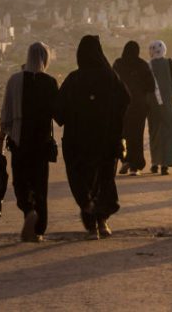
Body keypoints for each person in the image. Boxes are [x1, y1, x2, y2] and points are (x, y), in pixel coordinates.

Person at [55, 35, 129, 238]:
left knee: (83, 180)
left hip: (78, 143)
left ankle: (91, 221)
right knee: (105, 180)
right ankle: (102, 222)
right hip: (106, 140)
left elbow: (58, 113)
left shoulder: (74, 79)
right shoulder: (111, 77)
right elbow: (125, 100)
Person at [0, 42, 58, 242]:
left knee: (20, 181)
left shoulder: (15, 80)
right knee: (40, 185)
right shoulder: (50, 82)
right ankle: (38, 231)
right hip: (42, 141)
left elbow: (7, 116)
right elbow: (59, 113)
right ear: (45, 59)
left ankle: (28, 210)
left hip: (19, 140)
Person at [113, 41, 156, 176]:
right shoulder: (142, 65)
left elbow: (112, 83)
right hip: (139, 106)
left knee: (123, 134)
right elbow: (151, 86)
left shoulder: (118, 64)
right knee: (136, 136)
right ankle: (134, 166)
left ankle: (125, 159)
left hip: (122, 106)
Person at [147, 40, 172, 175]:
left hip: (153, 105)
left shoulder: (148, 65)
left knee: (155, 133)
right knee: (168, 133)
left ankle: (154, 163)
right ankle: (165, 165)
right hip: (169, 104)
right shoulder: (170, 63)